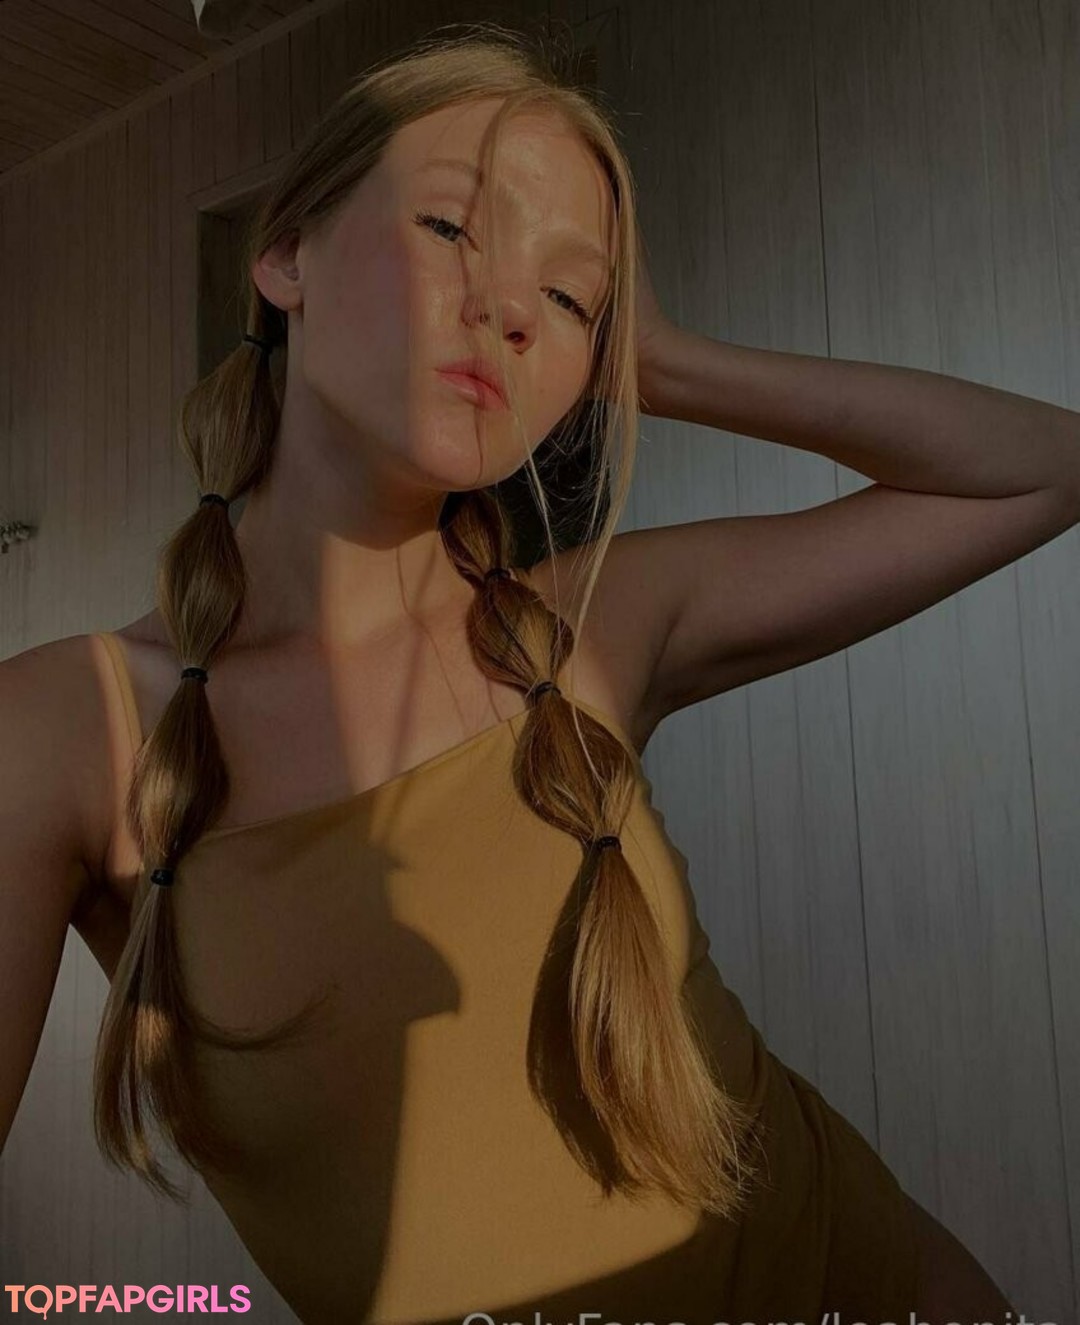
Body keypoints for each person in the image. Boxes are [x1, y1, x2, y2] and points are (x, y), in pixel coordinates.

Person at [8, 18, 1068, 1324]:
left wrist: (667, 363)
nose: (512, 307)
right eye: (451, 226)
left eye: (572, 298)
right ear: (285, 255)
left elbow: (1038, 470)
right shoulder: (66, 729)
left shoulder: (594, 627)